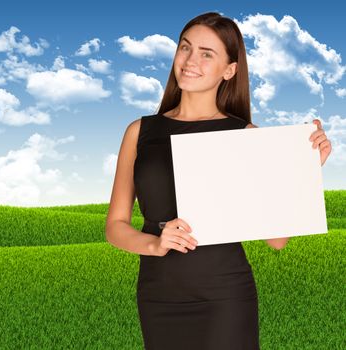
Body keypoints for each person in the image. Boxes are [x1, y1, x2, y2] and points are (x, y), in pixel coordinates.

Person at [105, 11, 332, 350]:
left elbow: (277, 240)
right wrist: (155, 244)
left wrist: (303, 169)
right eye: (185, 48)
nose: (190, 60)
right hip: (158, 296)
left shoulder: (245, 135)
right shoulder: (140, 132)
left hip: (225, 297)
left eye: (206, 53)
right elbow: (116, 225)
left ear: (229, 70)